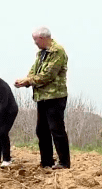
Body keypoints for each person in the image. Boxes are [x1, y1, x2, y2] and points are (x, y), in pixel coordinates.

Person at [15, 27, 70, 170]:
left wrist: (28, 81)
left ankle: (64, 162)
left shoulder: (57, 51)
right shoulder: (41, 54)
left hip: (55, 96)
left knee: (56, 129)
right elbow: (34, 71)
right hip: (41, 96)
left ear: (44, 38)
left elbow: (48, 75)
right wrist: (25, 80)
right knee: (42, 130)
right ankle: (46, 161)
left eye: (36, 40)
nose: (35, 43)